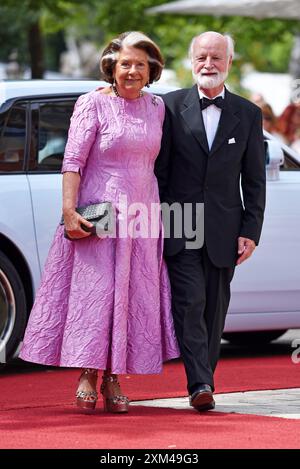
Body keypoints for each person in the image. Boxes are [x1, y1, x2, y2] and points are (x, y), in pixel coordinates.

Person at [20, 31, 179, 414]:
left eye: (140, 64)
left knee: (129, 296)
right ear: (112, 65)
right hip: (100, 211)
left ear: (151, 69)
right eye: (125, 63)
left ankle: (114, 376)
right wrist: (70, 212)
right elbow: (72, 161)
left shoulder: (156, 107)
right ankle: (89, 373)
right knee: (99, 295)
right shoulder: (92, 103)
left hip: (142, 213)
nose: (132, 71)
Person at [155, 31, 266, 411]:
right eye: (202, 57)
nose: (208, 64)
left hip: (224, 228)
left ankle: (205, 379)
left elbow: (254, 179)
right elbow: (160, 172)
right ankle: (200, 383)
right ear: (191, 61)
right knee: (190, 302)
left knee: (214, 309)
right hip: (180, 222)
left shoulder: (249, 114)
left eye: (216, 58)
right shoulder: (168, 107)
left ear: (229, 62)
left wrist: (251, 231)